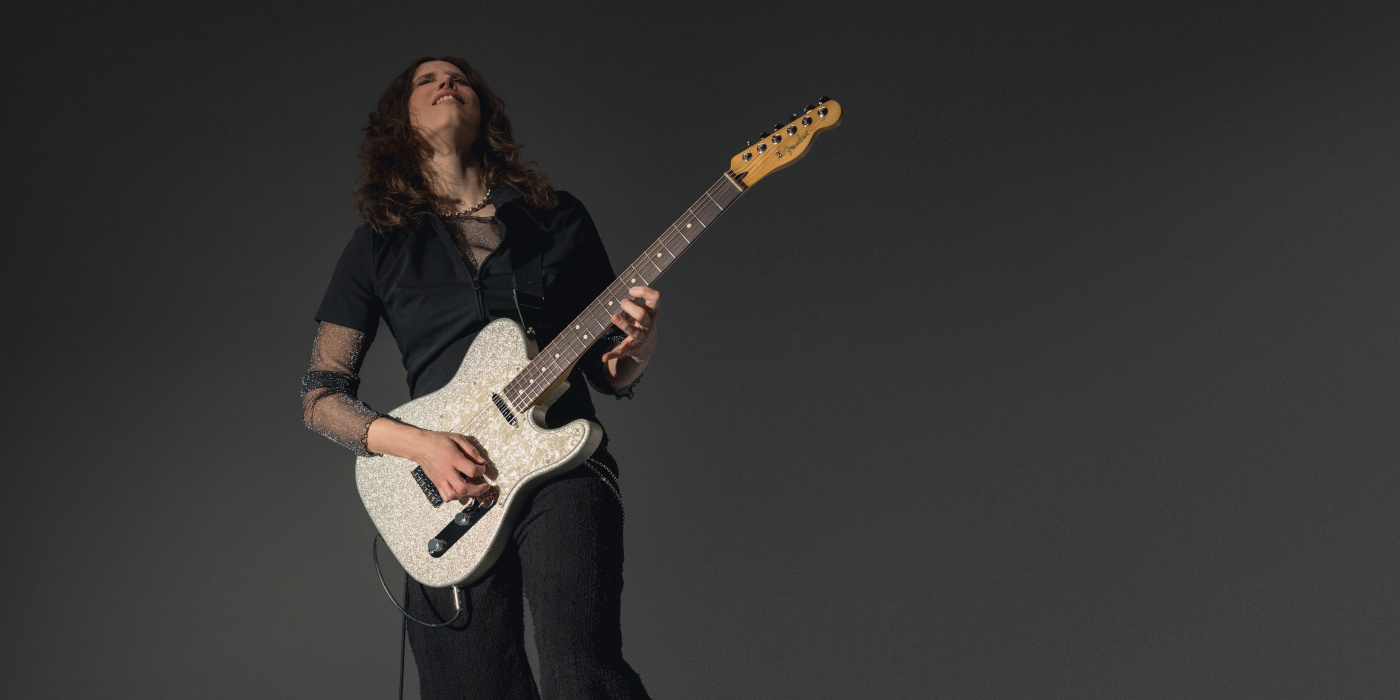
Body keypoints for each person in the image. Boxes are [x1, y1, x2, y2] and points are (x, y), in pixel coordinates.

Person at [301, 56, 655, 699]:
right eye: (426, 80)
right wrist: (422, 445)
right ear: (400, 121)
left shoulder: (558, 217)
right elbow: (320, 399)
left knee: (585, 673)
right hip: (443, 488)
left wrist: (638, 348)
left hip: (560, 468)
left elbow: (609, 372)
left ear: (484, 110)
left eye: (460, 78)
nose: (446, 83)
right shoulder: (377, 243)